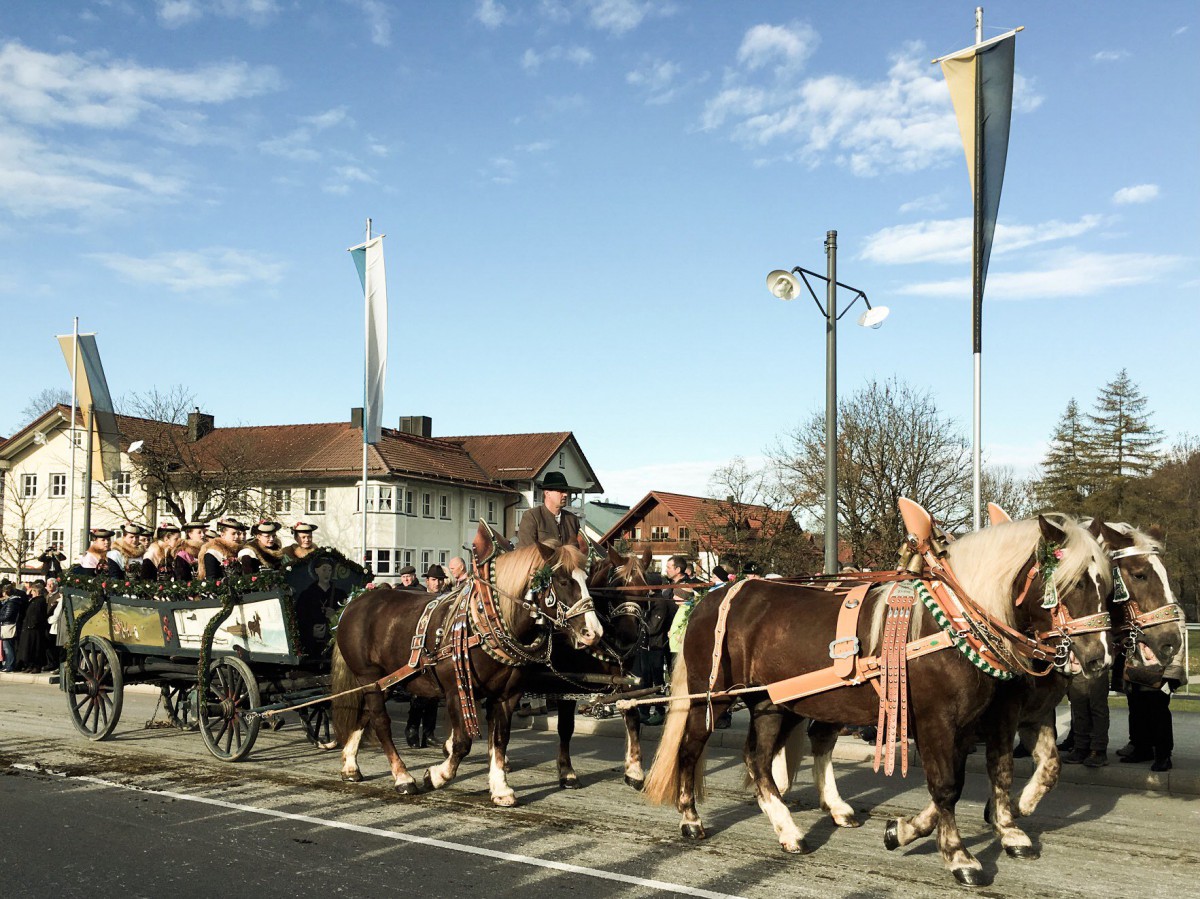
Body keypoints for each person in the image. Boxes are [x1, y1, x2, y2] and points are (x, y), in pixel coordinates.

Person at [1119, 653, 1187, 772]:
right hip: (1138, 670)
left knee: (1159, 711)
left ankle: (1163, 755)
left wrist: (1172, 675)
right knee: (1138, 710)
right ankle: (1143, 749)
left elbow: (1175, 644)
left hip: (1164, 671)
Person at [406, 565, 447, 747]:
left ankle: (428, 733)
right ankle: (412, 729)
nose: (437, 583)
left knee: (434, 695)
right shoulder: (419, 596)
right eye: (433, 580)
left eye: (439, 580)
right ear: (427, 581)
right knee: (418, 693)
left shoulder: (446, 598)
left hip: (438, 649)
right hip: (419, 648)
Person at [295, 553, 347, 656]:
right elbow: (299, 618)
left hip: (335, 646)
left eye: (329, 570)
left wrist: (335, 616)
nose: (327, 573)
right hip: (311, 646)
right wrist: (311, 630)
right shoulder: (306, 595)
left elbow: (348, 617)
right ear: (316, 571)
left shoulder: (340, 594)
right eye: (324, 569)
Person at [637, 572, 671, 725]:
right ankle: (643, 711)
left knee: (657, 681)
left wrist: (640, 621)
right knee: (646, 680)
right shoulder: (648, 601)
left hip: (656, 646)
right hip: (645, 646)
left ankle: (659, 711)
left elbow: (653, 628)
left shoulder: (659, 602)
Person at [517, 471, 582, 548]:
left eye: (565, 491)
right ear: (547, 493)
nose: (565, 494)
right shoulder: (532, 516)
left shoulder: (572, 520)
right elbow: (525, 551)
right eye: (561, 491)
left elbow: (580, 550)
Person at [1062, 671, 1111, 767]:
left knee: (1097, 708)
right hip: (1076, 667)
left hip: (1097, 665)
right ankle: (1081, 747)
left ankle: (1098, 750)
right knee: (1079, 708)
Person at [15, 581, 51, 673]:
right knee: (28, 649)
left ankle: (36, 666)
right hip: (28, 627)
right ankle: (30, 665)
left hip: (35, 629)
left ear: (37, 591)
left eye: (33, 591)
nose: (32, 593)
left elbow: (38, 615)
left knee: (35, 648)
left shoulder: (40, 601)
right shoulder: (33, 600)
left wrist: (33, 623)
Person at [1, 583, 28, 672]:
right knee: (7, 647)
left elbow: (7, 615)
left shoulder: (12, 602)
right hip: (7, 625)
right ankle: (8, 665)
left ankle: (10, 665)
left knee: (8, 647)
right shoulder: (11, 601)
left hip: (8, 625)